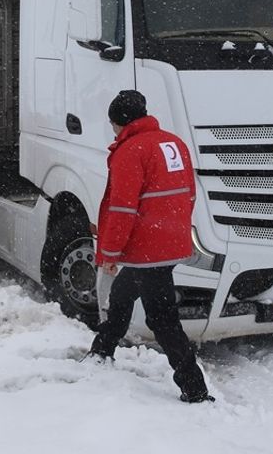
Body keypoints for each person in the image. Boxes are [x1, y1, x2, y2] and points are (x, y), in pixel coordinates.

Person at [86, 90, 214, 403]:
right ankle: (102, 350)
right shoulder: (174, 143)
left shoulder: (130, 150)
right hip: (170, 240)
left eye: (113, 124)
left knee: (162, 319)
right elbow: (189, 194)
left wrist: (110, 254)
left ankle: (194, 388)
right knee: (123, 293)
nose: (113, 130)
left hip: (147, 248)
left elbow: (122, 209)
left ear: (120, 121)